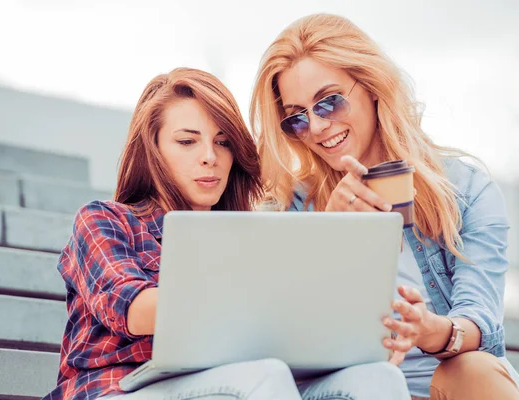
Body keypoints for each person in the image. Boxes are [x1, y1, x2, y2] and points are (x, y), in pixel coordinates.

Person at [42, 67, 410, 400]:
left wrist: (363, 325)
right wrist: (277, 275)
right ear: (152, 150)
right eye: (187, 141)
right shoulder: (104, 220)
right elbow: (135, 310)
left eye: (222, 142)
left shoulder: (251, 233)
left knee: (377, 378)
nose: (210, 157)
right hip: (117, 389)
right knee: (262, 377)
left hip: (223, 381)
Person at [250, 13, 519, 400]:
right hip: (347, 390)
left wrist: (429, 330)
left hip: (447, 383)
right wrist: (326, 236)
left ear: (373, 86)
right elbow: (276, 338)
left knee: (475, 370)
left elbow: (480, 319)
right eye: (296, 118)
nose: (317, 127)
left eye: (329, 102)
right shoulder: (288, 207)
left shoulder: (466, 190)